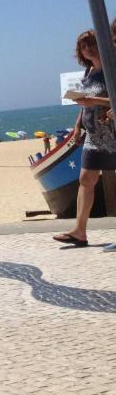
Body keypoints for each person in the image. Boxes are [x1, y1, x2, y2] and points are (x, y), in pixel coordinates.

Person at [53, 30, 116, 248]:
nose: (87, 48)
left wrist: (95, 101)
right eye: (83, 46)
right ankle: (79, 232)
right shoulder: (89, 71)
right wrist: (78, 125)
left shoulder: (111, 67)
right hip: (93, 133)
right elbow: (84, 103)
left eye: (91, 43)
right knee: (86, 180)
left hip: (112, 132)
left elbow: (111, 99)